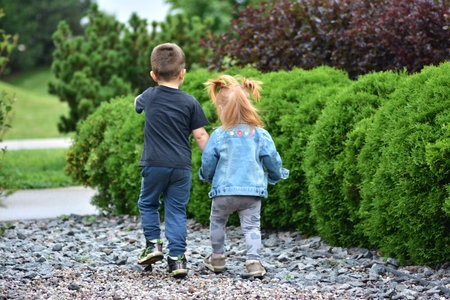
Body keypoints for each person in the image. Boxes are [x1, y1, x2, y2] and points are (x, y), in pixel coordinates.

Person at [199, 75, 289, 277]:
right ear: (248, 106)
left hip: (223, 193)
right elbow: (272, 159)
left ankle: (217, 259)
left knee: (218, 221)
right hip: (251, 192)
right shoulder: (260, 134)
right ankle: (254, 263)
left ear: (221, 109)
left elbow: (208, 161)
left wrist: (207, 176)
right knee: (251, 227)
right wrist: (275, 175)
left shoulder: (219, 134)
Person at [134, 43, 209, 278]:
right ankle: (177, 260)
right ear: (183, 73)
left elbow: (136, 103)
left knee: (148, 203)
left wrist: (148, 89)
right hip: (181, 167)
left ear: (153, 75)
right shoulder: (190, 102)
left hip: (153, 163)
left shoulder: (149, 96)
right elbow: (200, 135)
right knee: (176, 210)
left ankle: (153, 245)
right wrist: (211, 162)